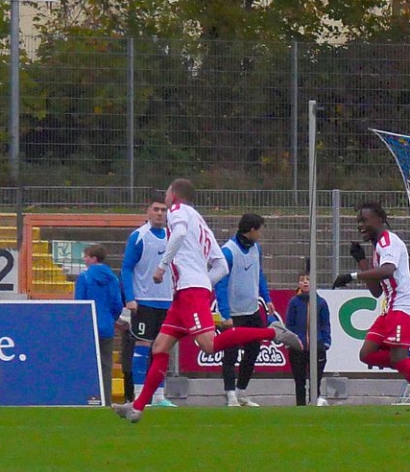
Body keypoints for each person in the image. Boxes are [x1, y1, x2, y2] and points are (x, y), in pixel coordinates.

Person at [116, 181, 302, 422]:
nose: (166, 199)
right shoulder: (199, 221)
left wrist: (163, 267)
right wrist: (204, 282)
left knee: (209, 345)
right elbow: (221, 266)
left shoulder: (178, 211)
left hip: (190, 291)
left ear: (174, 195)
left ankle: (272, 332)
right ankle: (138, 407)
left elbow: (179, 234)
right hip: (187, 292)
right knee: (159, 347)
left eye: (167, 193)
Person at [334, 202, 410, 421]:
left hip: (404, 304)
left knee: (398, 356)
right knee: (367, 354)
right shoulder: (378, 248)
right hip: (391, 306)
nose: (360, 225)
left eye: (364, 220)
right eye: (358, 221)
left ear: (379, 219)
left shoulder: (388, 241)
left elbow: (388, 270)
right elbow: (376, 291)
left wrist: (352, 276)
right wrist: (362, 261)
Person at [119, 200, 177, 407]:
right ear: (148, 212)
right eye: (156, 209)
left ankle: (159, 395)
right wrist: (130, 297)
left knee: (162, 349)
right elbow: (126, 268)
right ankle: (138, 393)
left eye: (163, 210)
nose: (160, 213)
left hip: (167, 302)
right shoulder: (139, 236)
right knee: (143, 346)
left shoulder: (173, 236)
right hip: (144, 301)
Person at [217, 213, 274, 407]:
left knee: (253, 350)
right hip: (233, 313)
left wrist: (267, 298)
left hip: (252, 311)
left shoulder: (256, 248)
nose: (261, 234)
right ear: (252, 230)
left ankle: (241, 390)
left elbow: (259, 275)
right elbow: (220, 285)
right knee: (230, 354)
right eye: (260, 230)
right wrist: (225, 314)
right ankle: (230, 394)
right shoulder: (228, 252)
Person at [73, 245, 125, 405]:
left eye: (86, 256)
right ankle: (105, 400)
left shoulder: (85, 277)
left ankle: (87, 399)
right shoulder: (113, 278)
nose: (84, 259)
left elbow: (79, 304)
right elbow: (117, 304)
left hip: (89, 326)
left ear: (94, 259)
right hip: (107, 326)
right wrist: (110, 319)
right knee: (106, 365)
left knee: (86, 364)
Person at [287, 267, 331, 407]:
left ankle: (314, 404)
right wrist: (291, 341)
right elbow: (289, 324)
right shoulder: (294, 302)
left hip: (317, 347)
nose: (305, 282)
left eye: (308, 279)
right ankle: (300, 407)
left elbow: (325, 324)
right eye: (302, 280)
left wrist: (325, 342)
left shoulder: (321, 303)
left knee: (315, 381)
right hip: (298, 348)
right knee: (299, 382)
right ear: (298, 283)